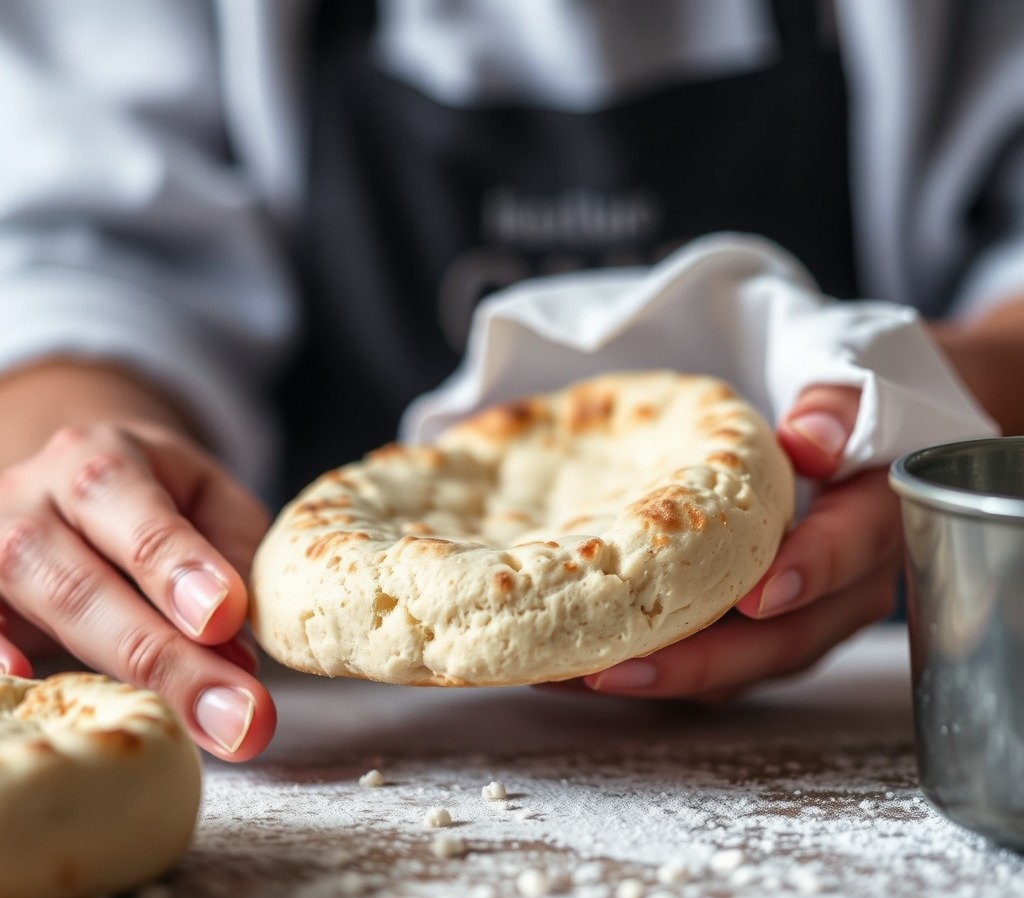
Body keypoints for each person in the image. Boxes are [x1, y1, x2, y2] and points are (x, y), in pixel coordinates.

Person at [0, 1, 1022, 762]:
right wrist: (93, 483)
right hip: (353, 734)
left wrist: (938, 413)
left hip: (879, 696)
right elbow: (86, 258)